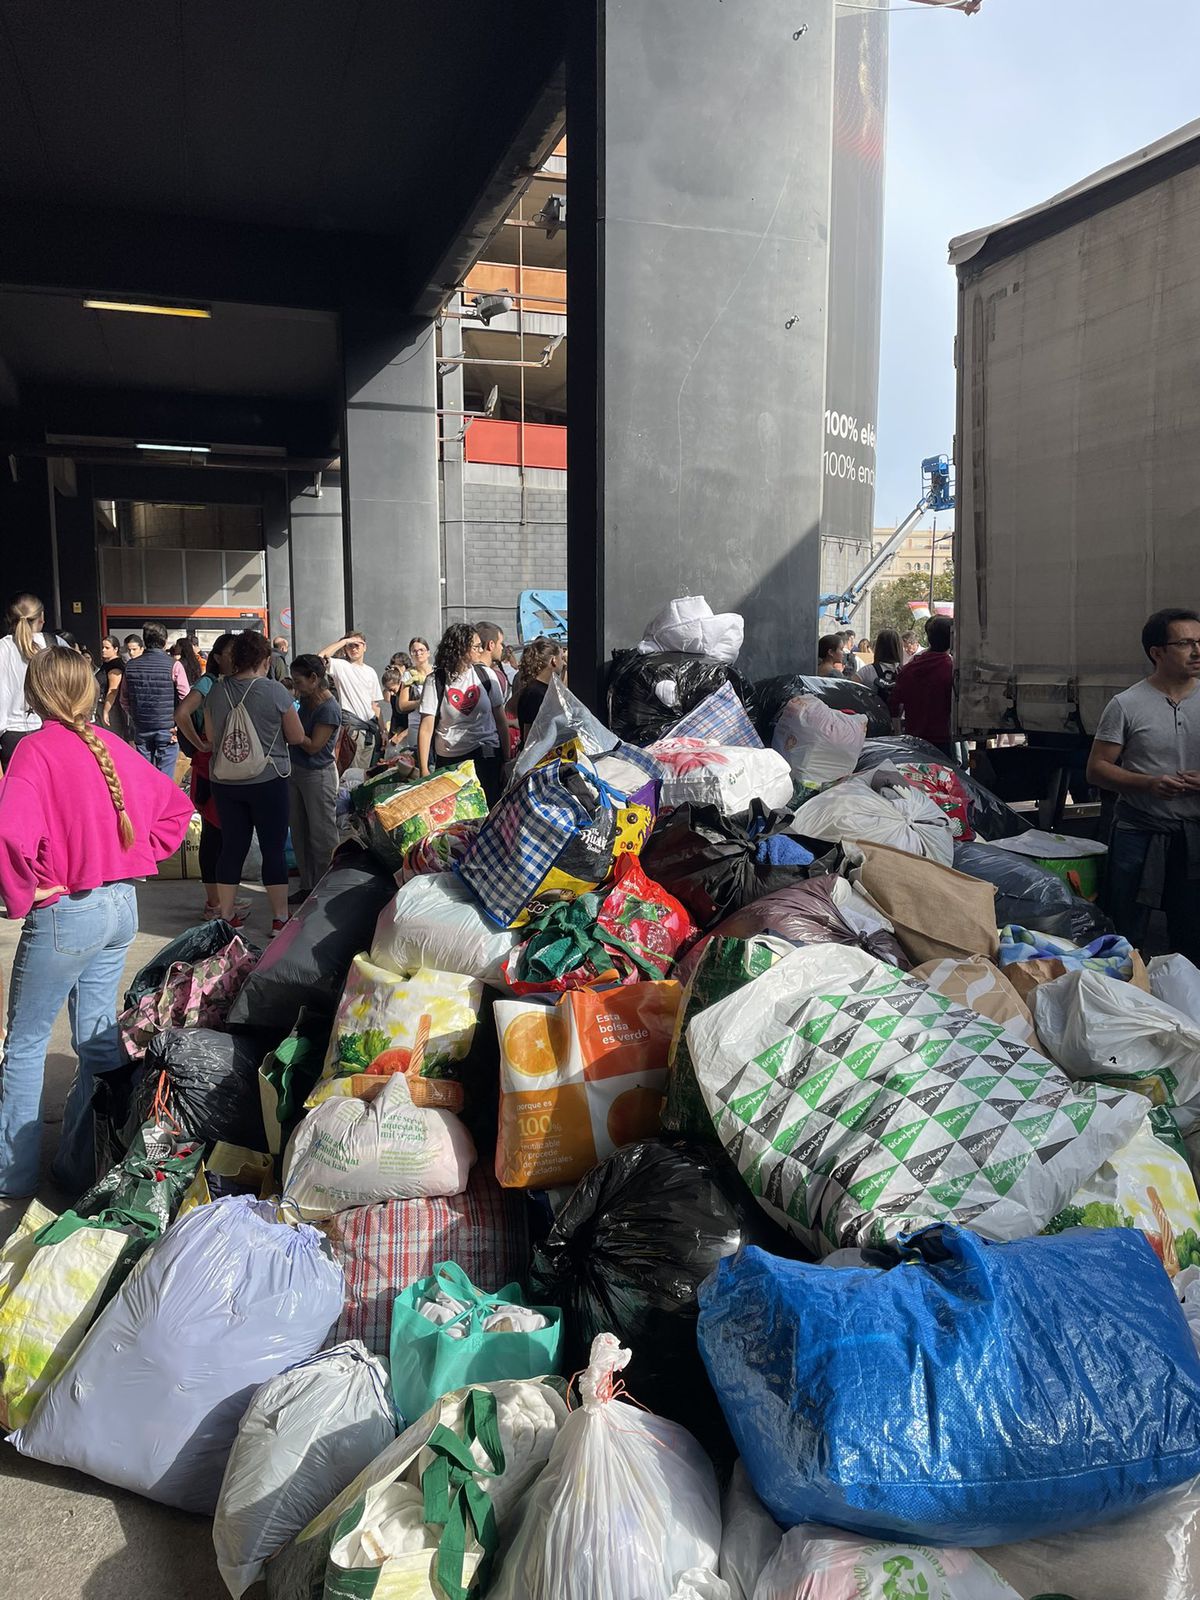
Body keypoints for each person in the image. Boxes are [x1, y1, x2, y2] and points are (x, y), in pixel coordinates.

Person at [0, 646, 193, 1198]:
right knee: (98, 1042)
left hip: (68, 912)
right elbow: (176, 808)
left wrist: (28, 889)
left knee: (27, 1047)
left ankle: (11, 1177)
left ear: (35, 693)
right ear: (88, 689)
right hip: (119, 908)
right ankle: (85, 1163)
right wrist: (135, 857)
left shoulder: (34, 751)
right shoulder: (109, 744)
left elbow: (10, 835)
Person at [1087, 608, 1200, 962]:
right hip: (1139, 831)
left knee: (1191, 930)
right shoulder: (1126, 704)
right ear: (1157, 653)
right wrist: (1148, 784)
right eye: (1185, 643)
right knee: (1126, 928)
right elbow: (1097, 769)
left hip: (1194, 833)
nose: (1197, 651)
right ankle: (1128, 999)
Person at [205, 631, 304, 937]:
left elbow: (211, 739)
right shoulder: (275, 691)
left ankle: (228, 916)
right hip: (269, 779)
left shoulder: (216, 692)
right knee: (272, 848)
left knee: (232, 847)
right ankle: (279, 919)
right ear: (266, 659)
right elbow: (297, 736)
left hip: (225, 782)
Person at [174, 632, 249, 924]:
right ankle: (215, 903)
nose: (236, 658)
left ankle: (221, 898)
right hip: (210, 769)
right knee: (215, 836)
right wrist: (201, 743)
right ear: (217, 657)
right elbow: (181, 713)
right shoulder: (208, 683)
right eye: (231, 652)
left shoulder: (233, 683)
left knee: (226, 835)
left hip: (226, 768)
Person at [417, 622, 510, 805]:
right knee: (456, 820)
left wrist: (506, 760)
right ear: (460, 648)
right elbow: (426, 728)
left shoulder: (487, 675)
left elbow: (501, 720)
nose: (480, 650)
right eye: (475, 646)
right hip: (450, 761)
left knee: (486, 813)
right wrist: (424, 769)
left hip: (486, 756)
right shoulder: (435, 681)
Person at [288, 654, 342, 904]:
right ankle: (308, 884)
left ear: (314, 678)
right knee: (300, 833)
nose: (296, 687)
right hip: (298, 772)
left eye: (299, 681)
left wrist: (291, 731)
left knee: (322, 836)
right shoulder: (307, 702)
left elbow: (314, 746)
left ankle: (326, 888)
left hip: (318, 775)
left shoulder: (329, 708)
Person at [0, 593, 61, 771]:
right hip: (48, 729)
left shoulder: (2, 648)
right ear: (41, 617)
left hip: (11, 735)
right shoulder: (54, 644)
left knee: (17, 792)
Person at [120, 621, 186, 777]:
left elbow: (124, 699)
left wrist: (136, 716)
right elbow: (185, 697)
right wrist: (178, 725)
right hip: (168, 728)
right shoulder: (174, 665)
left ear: (145, 641)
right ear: (164, 641)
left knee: (146, 774)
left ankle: (149, 800)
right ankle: (164, 800)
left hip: (141, 727)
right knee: (165, 776)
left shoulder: (131, 666)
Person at [318, 631, 386, 770]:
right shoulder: (341, 665)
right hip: (352, 728)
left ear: (364, 647)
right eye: (350, 646)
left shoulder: (371, 672)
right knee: (349, 773)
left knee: (364, 774)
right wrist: (344, 641)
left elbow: (375, 705)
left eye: (357, 645)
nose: (354, 649)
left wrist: (384, 730)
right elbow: (320, 657)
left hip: (369, 730)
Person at [891, 616, 955, 756]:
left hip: (913, 740)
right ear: (952, 639)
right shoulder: (952, 670)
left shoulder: (909, 669)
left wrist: (897, 734)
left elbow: (895, 705)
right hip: (942, 740)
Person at [510, 637, 565, 743]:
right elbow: (530, 733)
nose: (563, 663)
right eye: (561, 658)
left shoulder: (539, 689)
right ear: (553, 660)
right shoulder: (535, 694)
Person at [395, 636, 431, 749]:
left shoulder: (436, 673)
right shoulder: (408, 675)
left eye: (421, 650)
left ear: (428, 653)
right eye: (414, 651)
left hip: (436, 723)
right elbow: (403, 705)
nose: (418, 653)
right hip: (416, 724)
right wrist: (422, 702)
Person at [858, 628, 904, 707]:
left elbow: (850, 690)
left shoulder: (866, 671)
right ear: (899, 648)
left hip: (872, 716)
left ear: (878, 647)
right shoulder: (904, 672)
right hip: (896, 717)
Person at [97, 655, 130, 742]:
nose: (103, 650)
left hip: (113, 707)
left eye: (107, 647)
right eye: (103, 647)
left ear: (115, 649)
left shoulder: (115, 667)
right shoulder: (106, 665)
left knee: (112, 736)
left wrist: (106, 711)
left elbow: (113, 691)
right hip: (107, 704)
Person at [476, 621, 510, 692]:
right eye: (500, 643)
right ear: (491, 645)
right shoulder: (492, 676)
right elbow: (497, 703)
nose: (502, 648)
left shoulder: (468, 671)